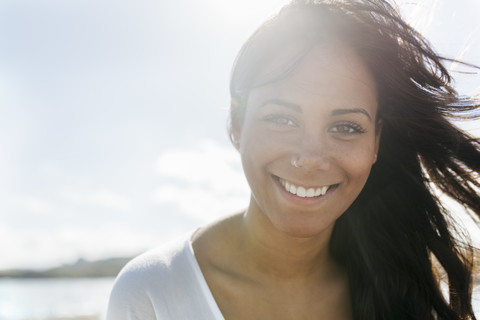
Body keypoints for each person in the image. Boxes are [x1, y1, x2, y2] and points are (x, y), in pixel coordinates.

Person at [107, 0, 480, 319]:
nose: (310, 159)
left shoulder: (406, 292)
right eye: (282, 119)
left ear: (377, 140)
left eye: (347, 127)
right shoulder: (153, 292)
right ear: (236, 123)